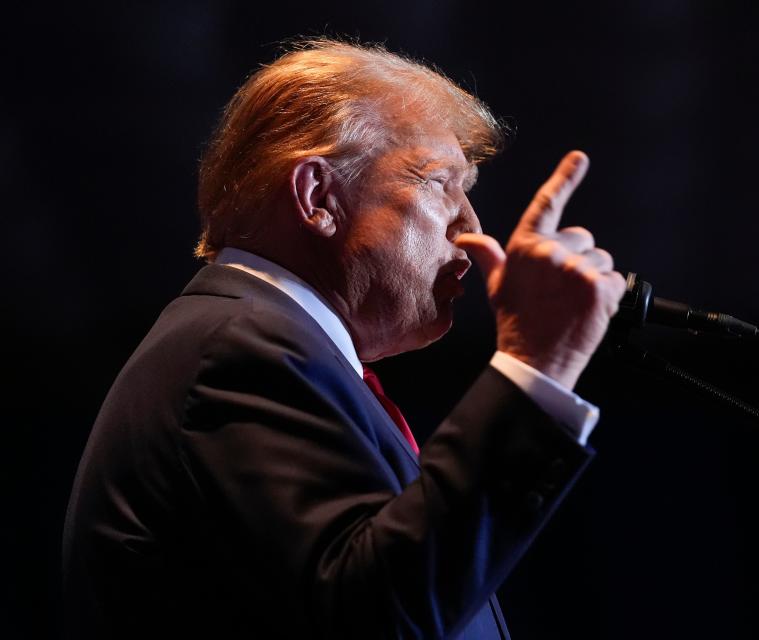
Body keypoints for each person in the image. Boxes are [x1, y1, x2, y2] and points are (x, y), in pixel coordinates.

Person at [62, 39, 625, 639]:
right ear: (318, 197)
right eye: (440, 183)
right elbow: (377, 614)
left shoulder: (270, 346)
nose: (471, 228)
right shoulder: (240, 351)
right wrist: (539, 364)